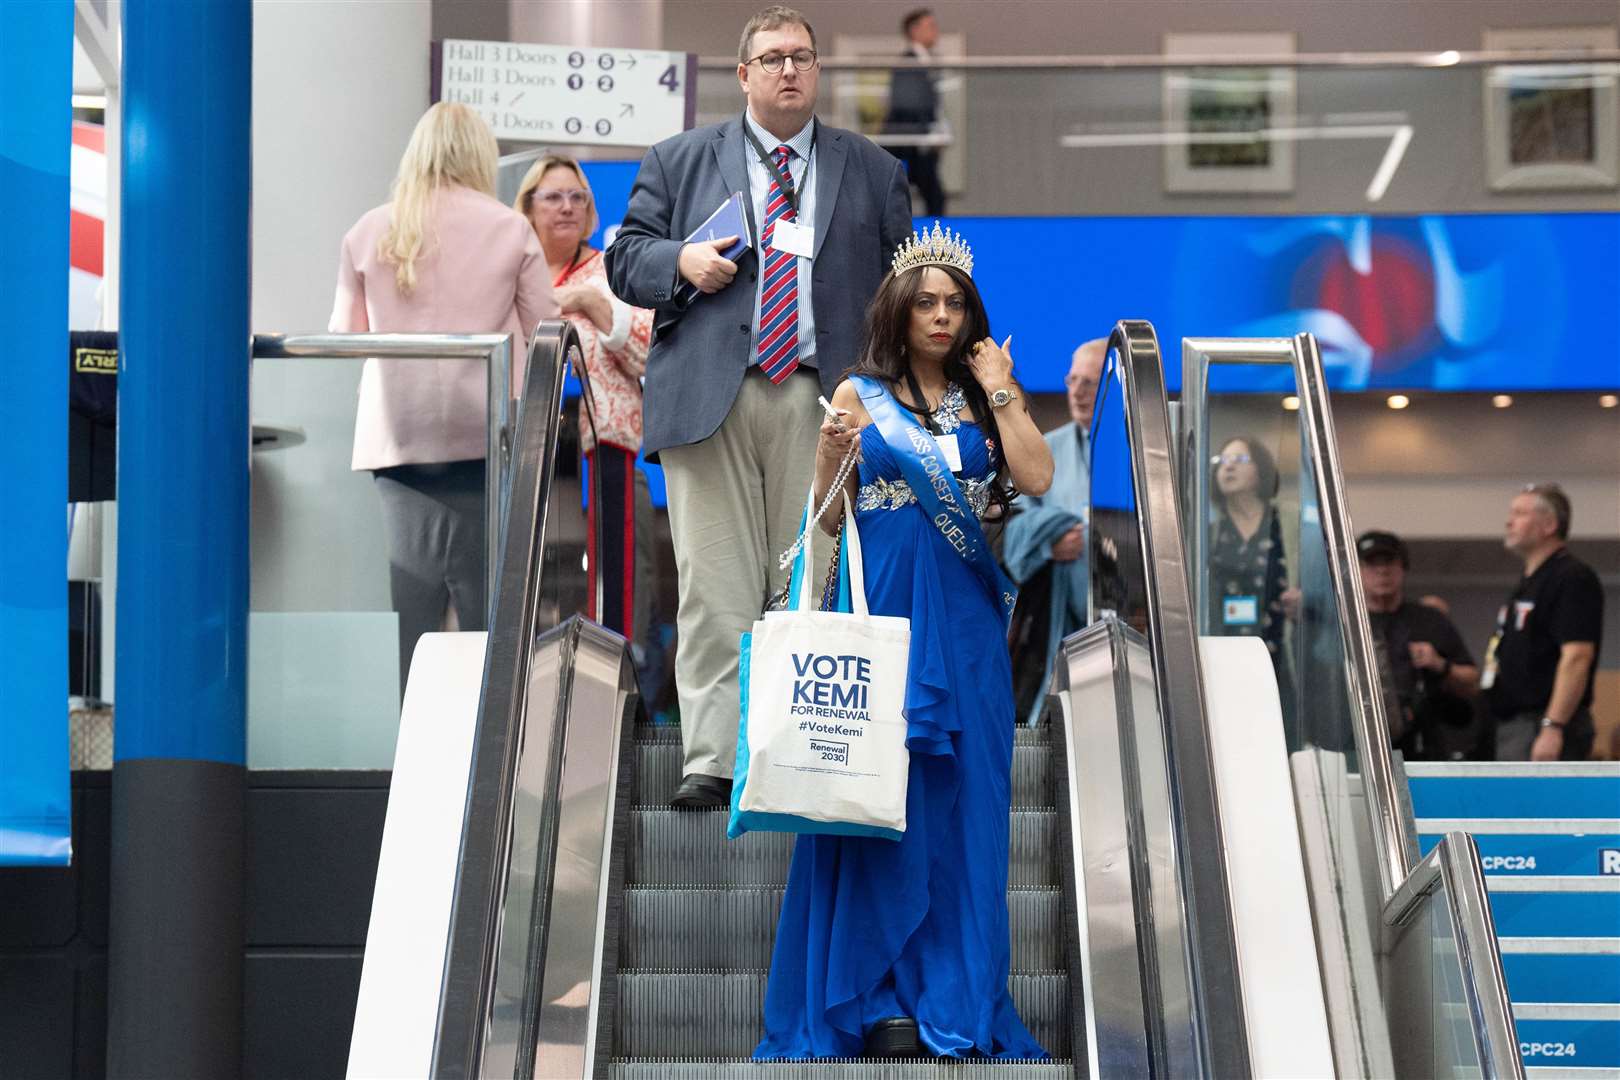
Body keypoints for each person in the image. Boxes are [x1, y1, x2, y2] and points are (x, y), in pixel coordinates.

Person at [756, 225, 1053, 1060]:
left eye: (954, 303)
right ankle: (877, 995)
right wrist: (823, 459)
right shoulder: (856, 392)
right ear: (899, 308)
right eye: (925, 302)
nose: (941, 316)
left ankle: (954, 998)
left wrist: (1000, 389)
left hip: (963, 621)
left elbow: (1034, 479)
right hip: (881, 612)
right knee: (875, 794)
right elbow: (828, 509)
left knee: (968, 807)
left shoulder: (987, 392)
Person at [605, 5, 913, 809]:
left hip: (825, 400)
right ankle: (710, 760)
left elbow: (902, 296)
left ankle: (800, 754)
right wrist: (683, 259)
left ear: (818, 72)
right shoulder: (677, 160)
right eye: (772, 58)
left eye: (803, 58)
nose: (789, 71)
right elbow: (625, 260)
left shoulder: (875, 170)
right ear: (742, 74)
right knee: (714, 585)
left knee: (811, 583)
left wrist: (891, 399)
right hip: (711, 395)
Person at [330, 103, 556, 690]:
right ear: (479, 155)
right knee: (486, 610)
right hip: (484, 436)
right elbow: (546, 333)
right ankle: (484, 757)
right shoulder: (509, 228)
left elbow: (343, 339)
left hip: (398, 441)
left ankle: (414, 751)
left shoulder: (370, 228)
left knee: (412, 610)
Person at [515, 153, 654, 641]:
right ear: (528, 208)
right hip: (527, 456)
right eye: (553, 197)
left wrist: (593, 303)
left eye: (578, 197)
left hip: (606, 454)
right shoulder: (512, 272)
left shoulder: (610, 270)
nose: (568, 207)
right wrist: (559, 300)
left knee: (618, 593)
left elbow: (647, 356)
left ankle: (621, 704)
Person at [1003, 338, 1104, 725]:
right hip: (1054, 629)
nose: (1077, 392)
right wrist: (1049, 540)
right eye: (1072, 380)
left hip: (1128, 619)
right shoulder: (1046, 449)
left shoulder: (1139, 454)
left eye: (1090, 383)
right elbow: (1014, 535)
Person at [1484, 483, 1604, 761]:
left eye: (1520, 513)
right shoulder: (1528, 584)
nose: (1508, 521)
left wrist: (1553, 726)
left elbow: (1577, 656)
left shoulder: (1571, 577)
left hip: (1542, 724)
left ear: (1549, 524)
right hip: (1515, 724)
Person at [1358, 530, 1481, 760]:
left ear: (1402, 568)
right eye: (1372, 563)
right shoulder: (1345, 624)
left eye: (1390, 562)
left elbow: (1473, 681)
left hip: (1424, 746)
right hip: (1361, 747)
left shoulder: (1429, 619)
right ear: (1357, 571)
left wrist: (1439, 664)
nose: (1382, 571)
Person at [1207, 435, 1298, 725]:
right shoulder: (1206, 531)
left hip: (1281, 657)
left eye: (1240, 459)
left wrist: (1308, 598)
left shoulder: (1290, 522)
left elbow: (1325, 580)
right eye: (1223, 461)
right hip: (1223, 660)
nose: (1229, 467)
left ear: (1261, 470)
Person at [884, 8, 947, 216]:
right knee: (932, 195)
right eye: (930, 26)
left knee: (931, 194)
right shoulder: (908, 61)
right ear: (914, 30)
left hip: (920, 142)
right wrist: (926, 133)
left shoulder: (927, 61)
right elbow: (907, 104)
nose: (935, 31)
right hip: (910, 143)